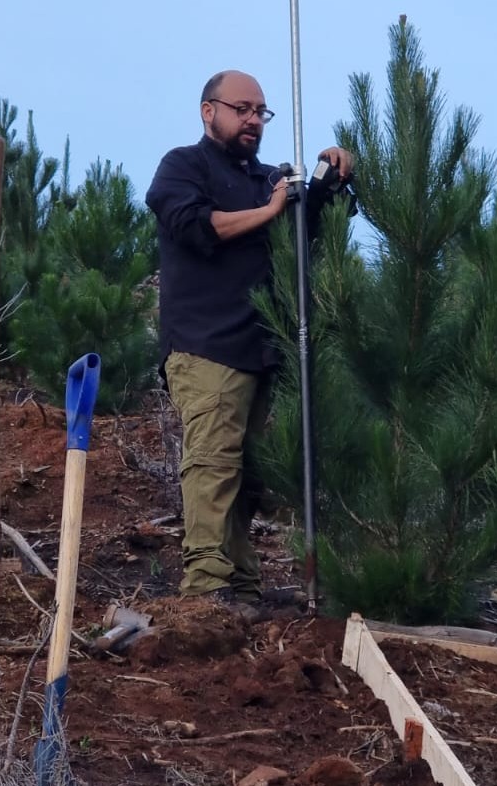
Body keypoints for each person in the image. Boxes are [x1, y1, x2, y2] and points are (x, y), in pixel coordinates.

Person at [145, 69, 353, 605]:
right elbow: (196, 226)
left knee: (249, 473)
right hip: (204, 345)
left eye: (261, 112)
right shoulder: (182, 167)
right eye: (242, 109)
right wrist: (269, 210)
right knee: (213, 460)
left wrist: (331, 178)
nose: (254, 120)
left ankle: (241, 583)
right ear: (207, 110)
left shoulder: (266, 179)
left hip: (260, 351)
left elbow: (302, 231)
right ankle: (206, 588)